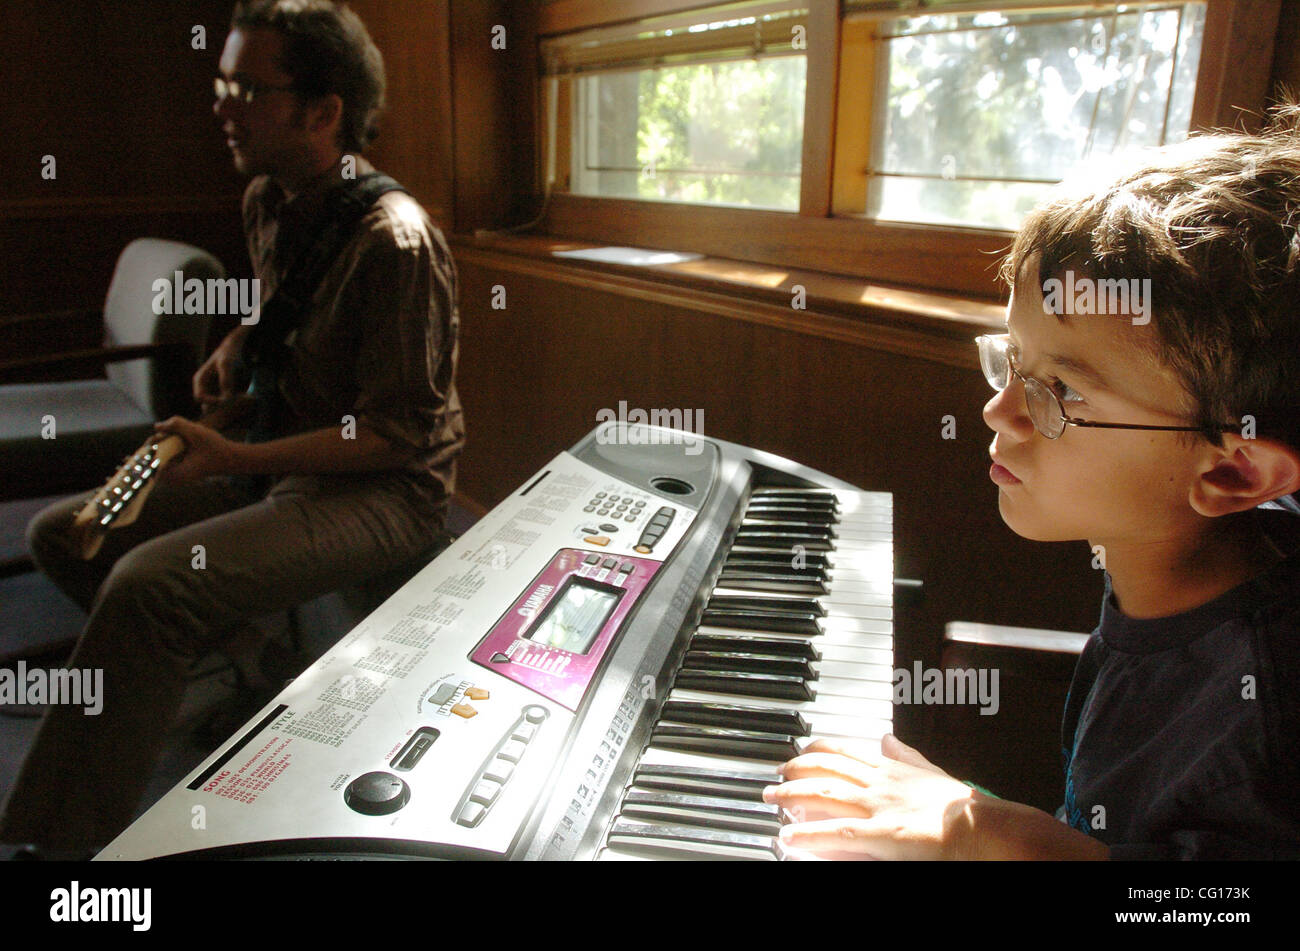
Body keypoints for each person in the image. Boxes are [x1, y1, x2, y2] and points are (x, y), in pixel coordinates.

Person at [765, 106, 1300, 860]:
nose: (998, 408)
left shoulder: (1265, 725)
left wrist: (993, 836)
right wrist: (972, 811)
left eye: (1065, 392)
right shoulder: (1172, 573)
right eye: (1013, 358)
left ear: (1232, 468)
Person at [0, 0, 464, 854]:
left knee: (149, 585)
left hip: (386, 489)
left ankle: (53, 847)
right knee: (66, 536)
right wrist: (241, 342)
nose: (220, 104)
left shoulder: (399, 243)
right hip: (289, 454)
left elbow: (398, 435)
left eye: (247, 87)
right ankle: (244, 659)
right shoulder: (270, 198)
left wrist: (233, 454)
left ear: (323, 113)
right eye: (223, 81)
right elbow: (287, 302)